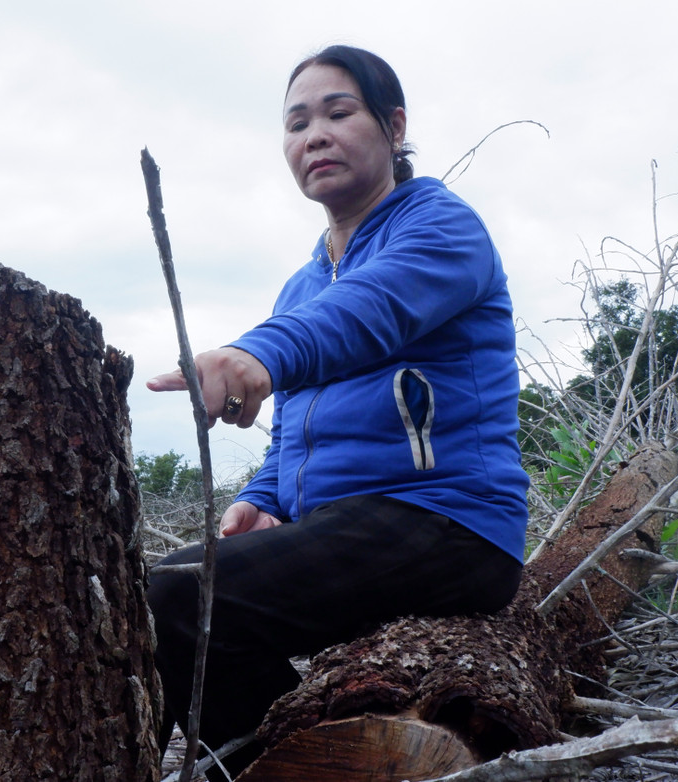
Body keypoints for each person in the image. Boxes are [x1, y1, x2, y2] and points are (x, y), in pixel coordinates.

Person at [145, 45, 531, 779]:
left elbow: (366, 313)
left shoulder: (441, 228)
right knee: (166, 581)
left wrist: (255, 354)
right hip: (353, 525)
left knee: (179, 600)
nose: (314, 135)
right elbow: (292, 428)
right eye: (296, 124)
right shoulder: (302, 284)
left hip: (450, 522)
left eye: (337, 112)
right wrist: (264, 498)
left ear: (394, 127)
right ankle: (292, 758)